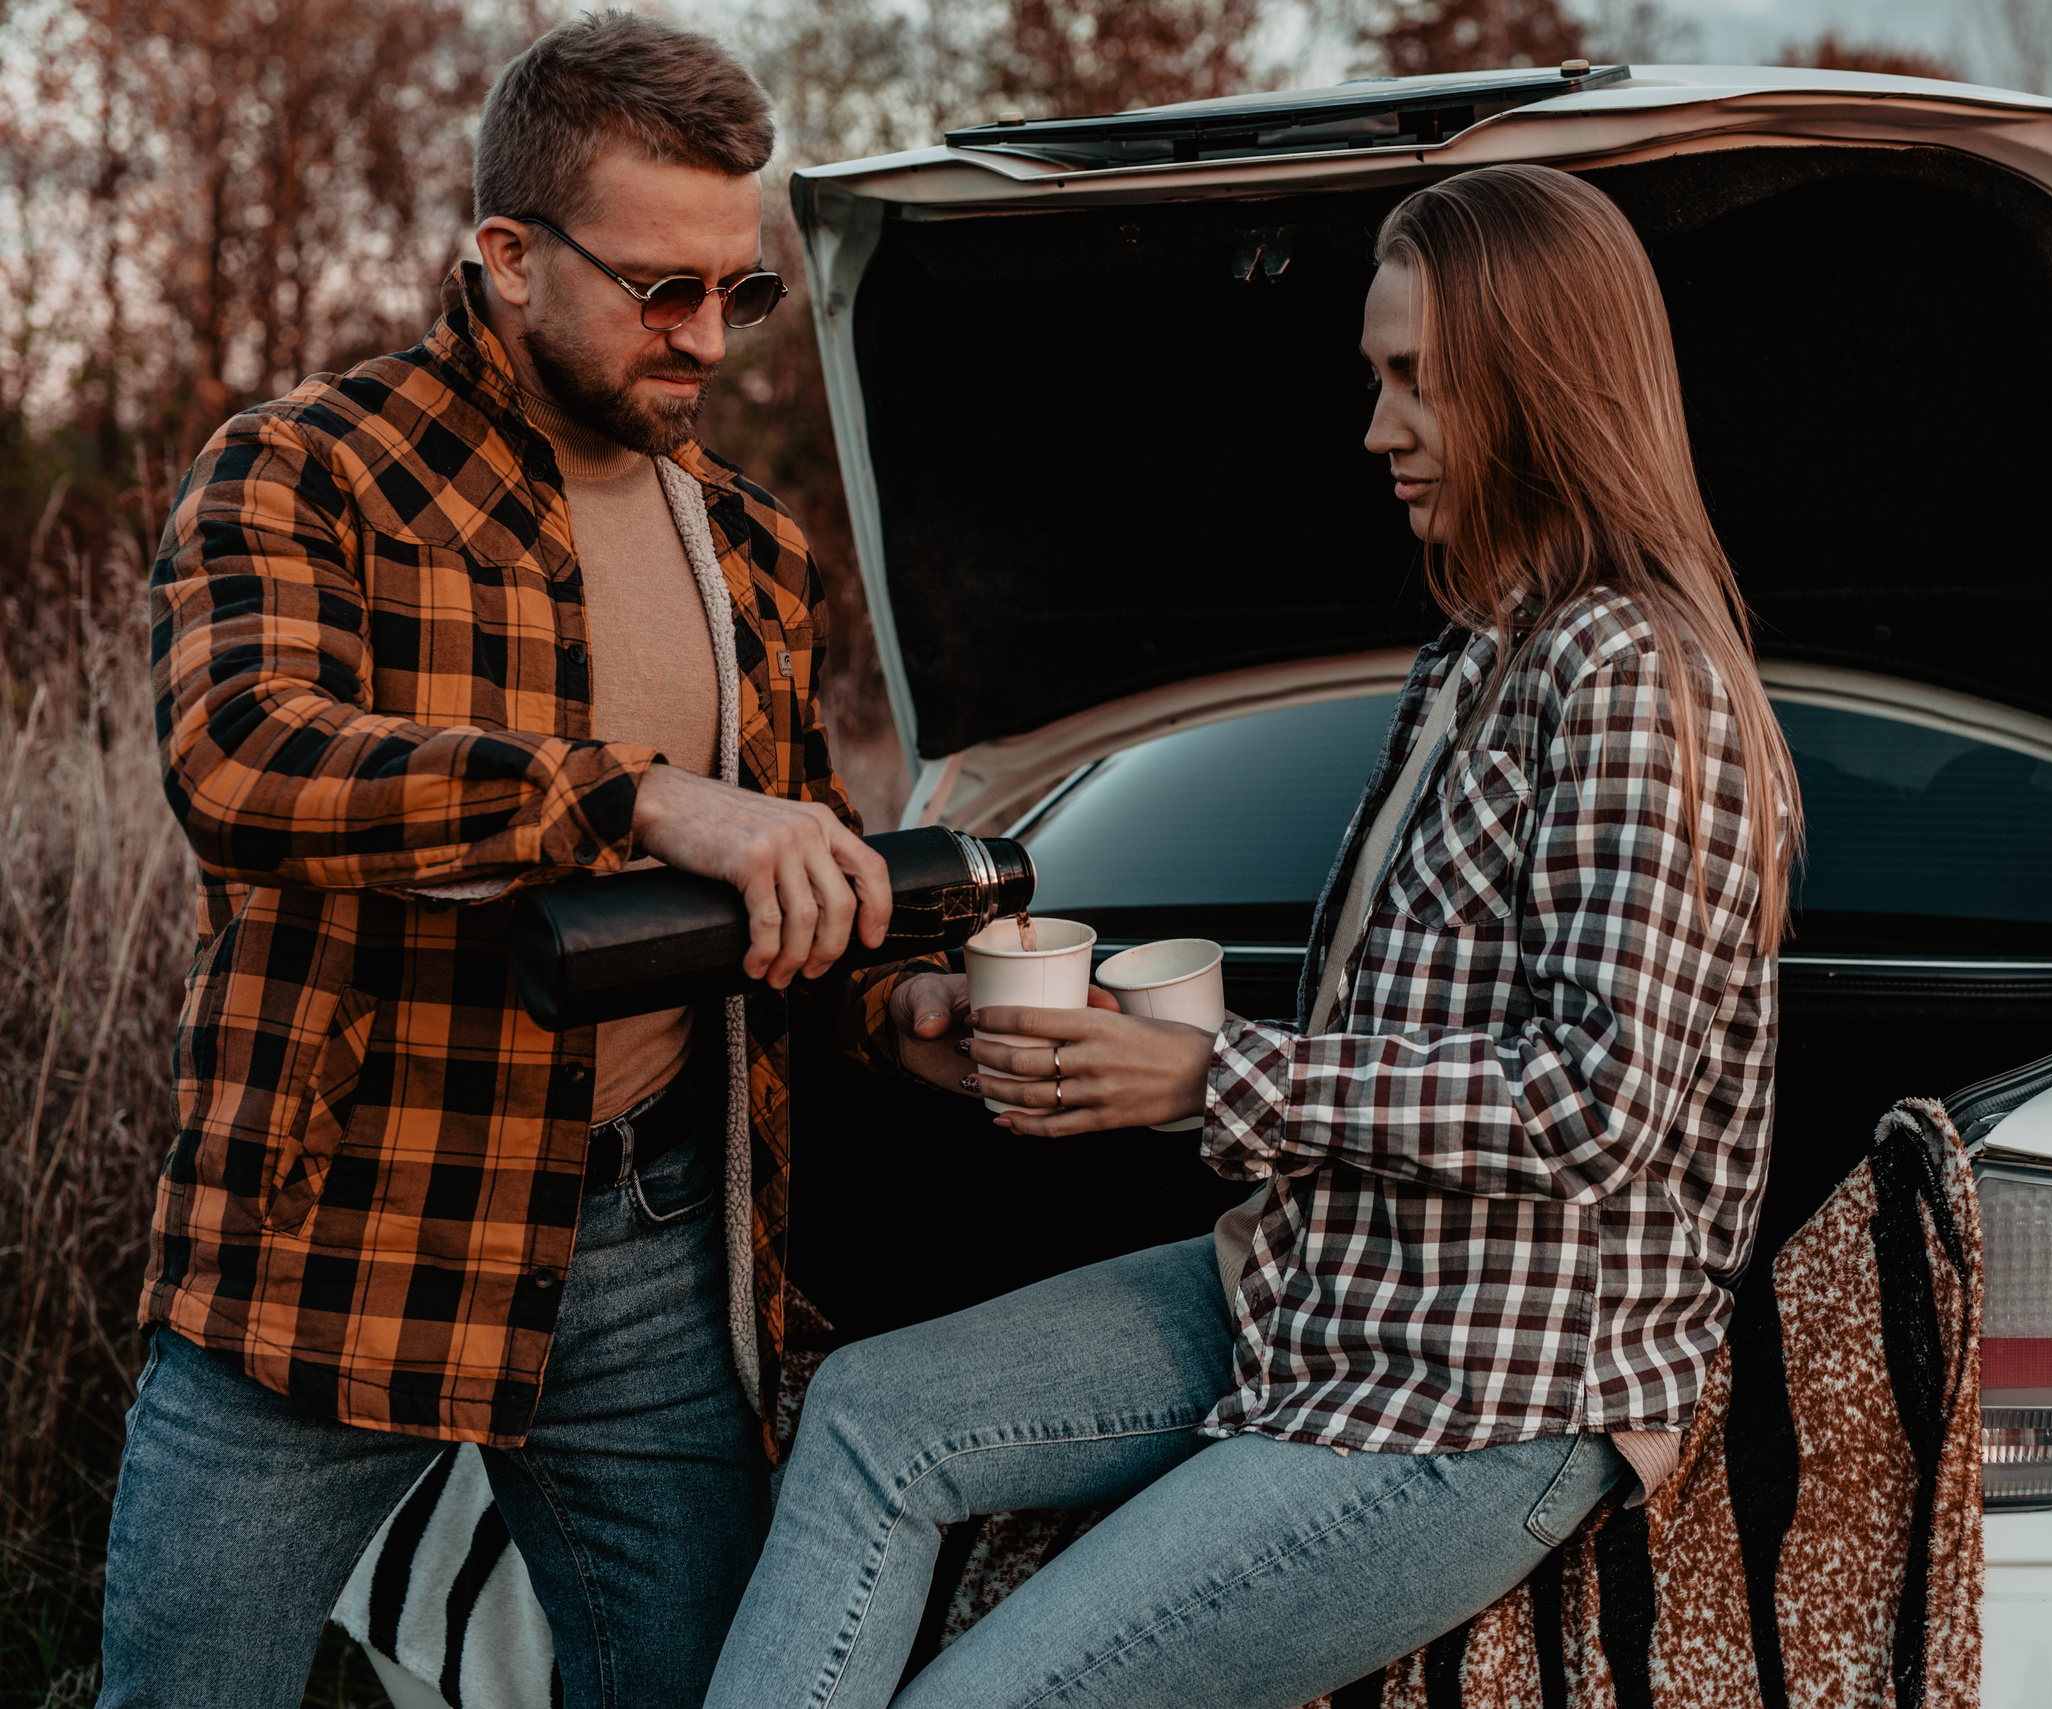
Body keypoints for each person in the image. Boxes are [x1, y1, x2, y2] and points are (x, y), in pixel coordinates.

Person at [706, 162, 1802, 1709]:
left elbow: (1598, 1100)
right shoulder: (1476, 653)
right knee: (874, 1418)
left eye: (1417, 380)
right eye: (1376, 375)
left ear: (1539, 383)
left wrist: (1206, 1079)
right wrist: (1122, 1041)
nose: (1376, 429)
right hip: (1310, 1283)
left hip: (1486, 1398)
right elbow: (1411, 1007)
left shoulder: (1631, 673)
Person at [100, 16, 928, 1707]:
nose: (708, 339)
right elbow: (242, 761)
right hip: (336, 1226)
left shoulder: (755, 548)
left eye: (736, 289)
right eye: (661, 291)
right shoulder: (303, 469)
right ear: (506, 256)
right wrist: (635, 799)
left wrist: (908, 996)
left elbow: (794, 882)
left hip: (653, 1233)